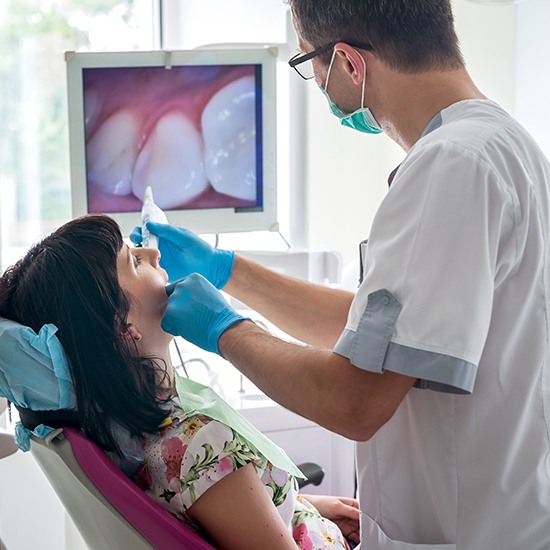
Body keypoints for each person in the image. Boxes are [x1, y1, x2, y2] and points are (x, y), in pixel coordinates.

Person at [134, 0, 550, 548]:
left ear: (349, 63)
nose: (321, 86)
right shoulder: (505, 145)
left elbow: (356, 401)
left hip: (469, 527)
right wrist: (227, 271)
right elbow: (381, 337)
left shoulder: (450, 167)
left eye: (311, 66)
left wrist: (225, 329)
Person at [0, 214, 360, 550]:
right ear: (123, 327)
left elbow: (211, 510)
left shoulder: (127, 436)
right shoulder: (201, 444)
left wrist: (303, 508)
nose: (153, 252)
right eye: (134, 261)